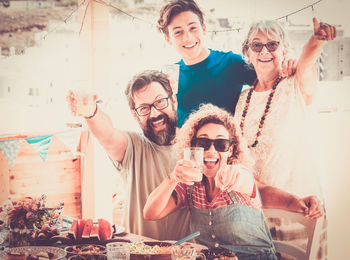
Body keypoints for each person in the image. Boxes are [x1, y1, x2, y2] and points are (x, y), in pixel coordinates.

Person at [143, 104, 322, 260]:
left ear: (231, 150)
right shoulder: (190, 187)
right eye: (203, 142)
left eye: (221, 144)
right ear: (193, 146)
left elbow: (249, 183)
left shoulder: (238, 175)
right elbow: (151, 213)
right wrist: (173, 177)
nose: (211, 150)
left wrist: (297, 203)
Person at [234, 18, 336, 259]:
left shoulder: (296, 84)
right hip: (255, 213)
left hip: (301, 208)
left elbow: (308, 62)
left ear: (284, 50)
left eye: (272, 44)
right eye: (256, 45)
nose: (264, 51)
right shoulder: (242, 99)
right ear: (247, 52)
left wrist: (316, 40)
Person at [66, 70, 190, 240]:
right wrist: (91, 112)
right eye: (144, 108)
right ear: (134, 114)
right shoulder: (132, 147)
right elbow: (108, 135)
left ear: (173, 100)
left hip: (186, 254)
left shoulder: (197, 147)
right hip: (137, 253)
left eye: (160, 102)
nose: (154, 114)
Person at [157, 0, 296, 127]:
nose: (187, 37)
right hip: (188, 153)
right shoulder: (168, 78)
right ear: (168, 39)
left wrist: (289, 65)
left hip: (228, 152)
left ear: (204, 29)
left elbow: (272, 82)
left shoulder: (232, 63)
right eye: (178, 32)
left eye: (193, 28)